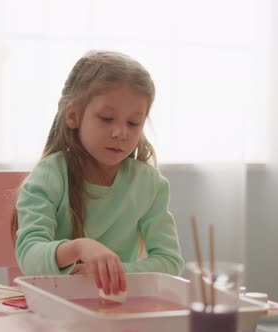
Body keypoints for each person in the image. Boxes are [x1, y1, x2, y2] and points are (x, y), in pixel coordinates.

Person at [11, 50, 184, 297]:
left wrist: (112, 273)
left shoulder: (150, 184)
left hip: (118, 310)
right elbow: (29, 256)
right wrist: (79, 248)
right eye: (107, 118)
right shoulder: (49, 176)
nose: (120, 133)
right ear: (73, 116)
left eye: (133, 123)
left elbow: (170, 261)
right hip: (56, 309)